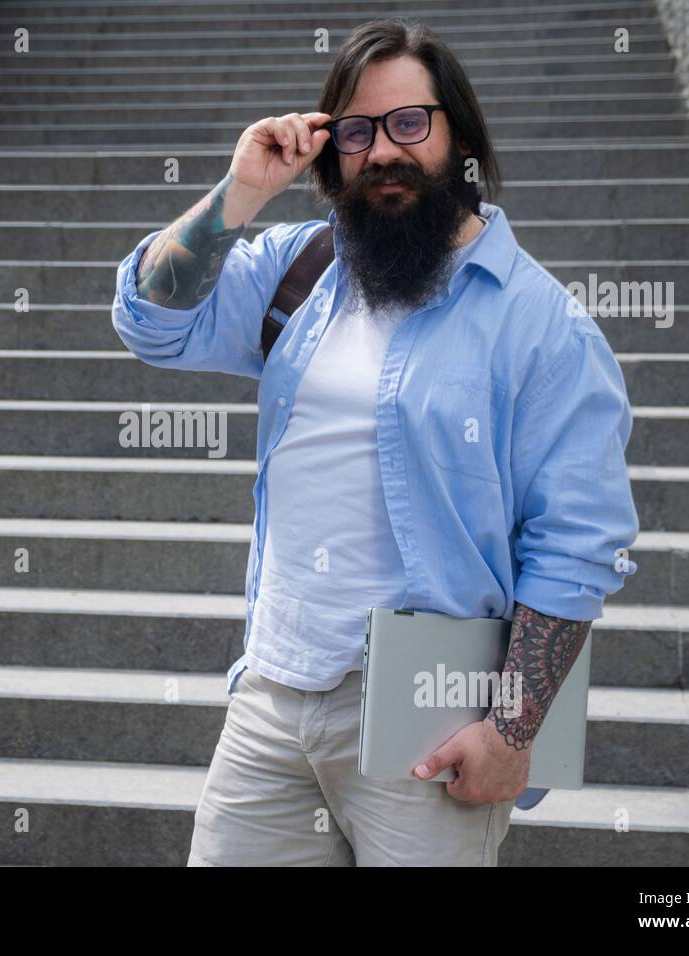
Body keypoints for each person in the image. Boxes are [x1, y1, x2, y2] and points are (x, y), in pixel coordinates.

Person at [110, 17, 639, 866]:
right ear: (331, 148)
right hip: (273, 695)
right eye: (357, 131)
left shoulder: (543, 326)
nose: (384, 150)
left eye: (409, 123)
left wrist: (512, 730)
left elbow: (578, 545)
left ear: (457, 135)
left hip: (426, 713)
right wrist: (239, 195)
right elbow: (151, 324)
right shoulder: (301, 271)